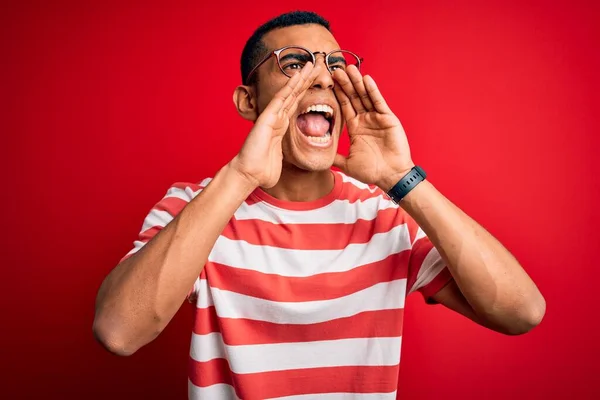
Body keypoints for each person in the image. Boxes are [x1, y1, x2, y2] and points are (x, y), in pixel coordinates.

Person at [93, 10, 546, 399]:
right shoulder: (195, 207)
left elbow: (521, 312)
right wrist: (242, 176)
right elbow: (118, 332)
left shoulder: (385, 216)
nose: (323, 77)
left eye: (334, 65)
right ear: (248, 101)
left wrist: (401, 180)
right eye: (294, 64)